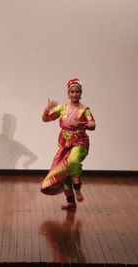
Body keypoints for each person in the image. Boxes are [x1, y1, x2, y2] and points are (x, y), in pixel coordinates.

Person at [41, 78, 95, 209]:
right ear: (68, 93)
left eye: (77, 92)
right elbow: (46, 119)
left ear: (80, 93)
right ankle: (71, 202)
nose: (75, 94)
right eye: (72, 92)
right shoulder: (62, 108)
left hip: (80, 141)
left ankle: (77, 187)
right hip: (64, 143)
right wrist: (46, 109)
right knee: (64, 173)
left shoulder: (84, 110)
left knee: (73, 161)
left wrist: (86, 125)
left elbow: (93, 124)